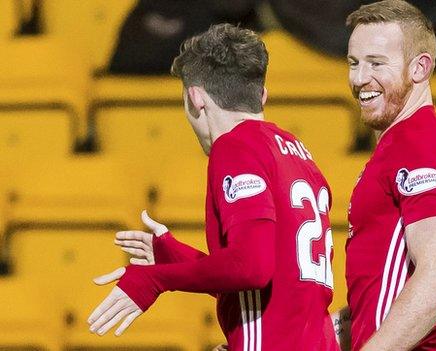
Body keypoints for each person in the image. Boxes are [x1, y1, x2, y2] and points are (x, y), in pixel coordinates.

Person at [87, 23, 340, 351]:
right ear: (261, 95)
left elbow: (251, 268)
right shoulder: (298, 153)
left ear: (195, 98)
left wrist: (157, 279)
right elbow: (279, 277)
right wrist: (178, 258)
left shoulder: (235, 148)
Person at [334, 1, 436, 350]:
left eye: (376, 63)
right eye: (354, 63)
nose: (358, 79)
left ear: (420, 68)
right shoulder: (415, 140)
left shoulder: (418, 142)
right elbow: (385, 295)